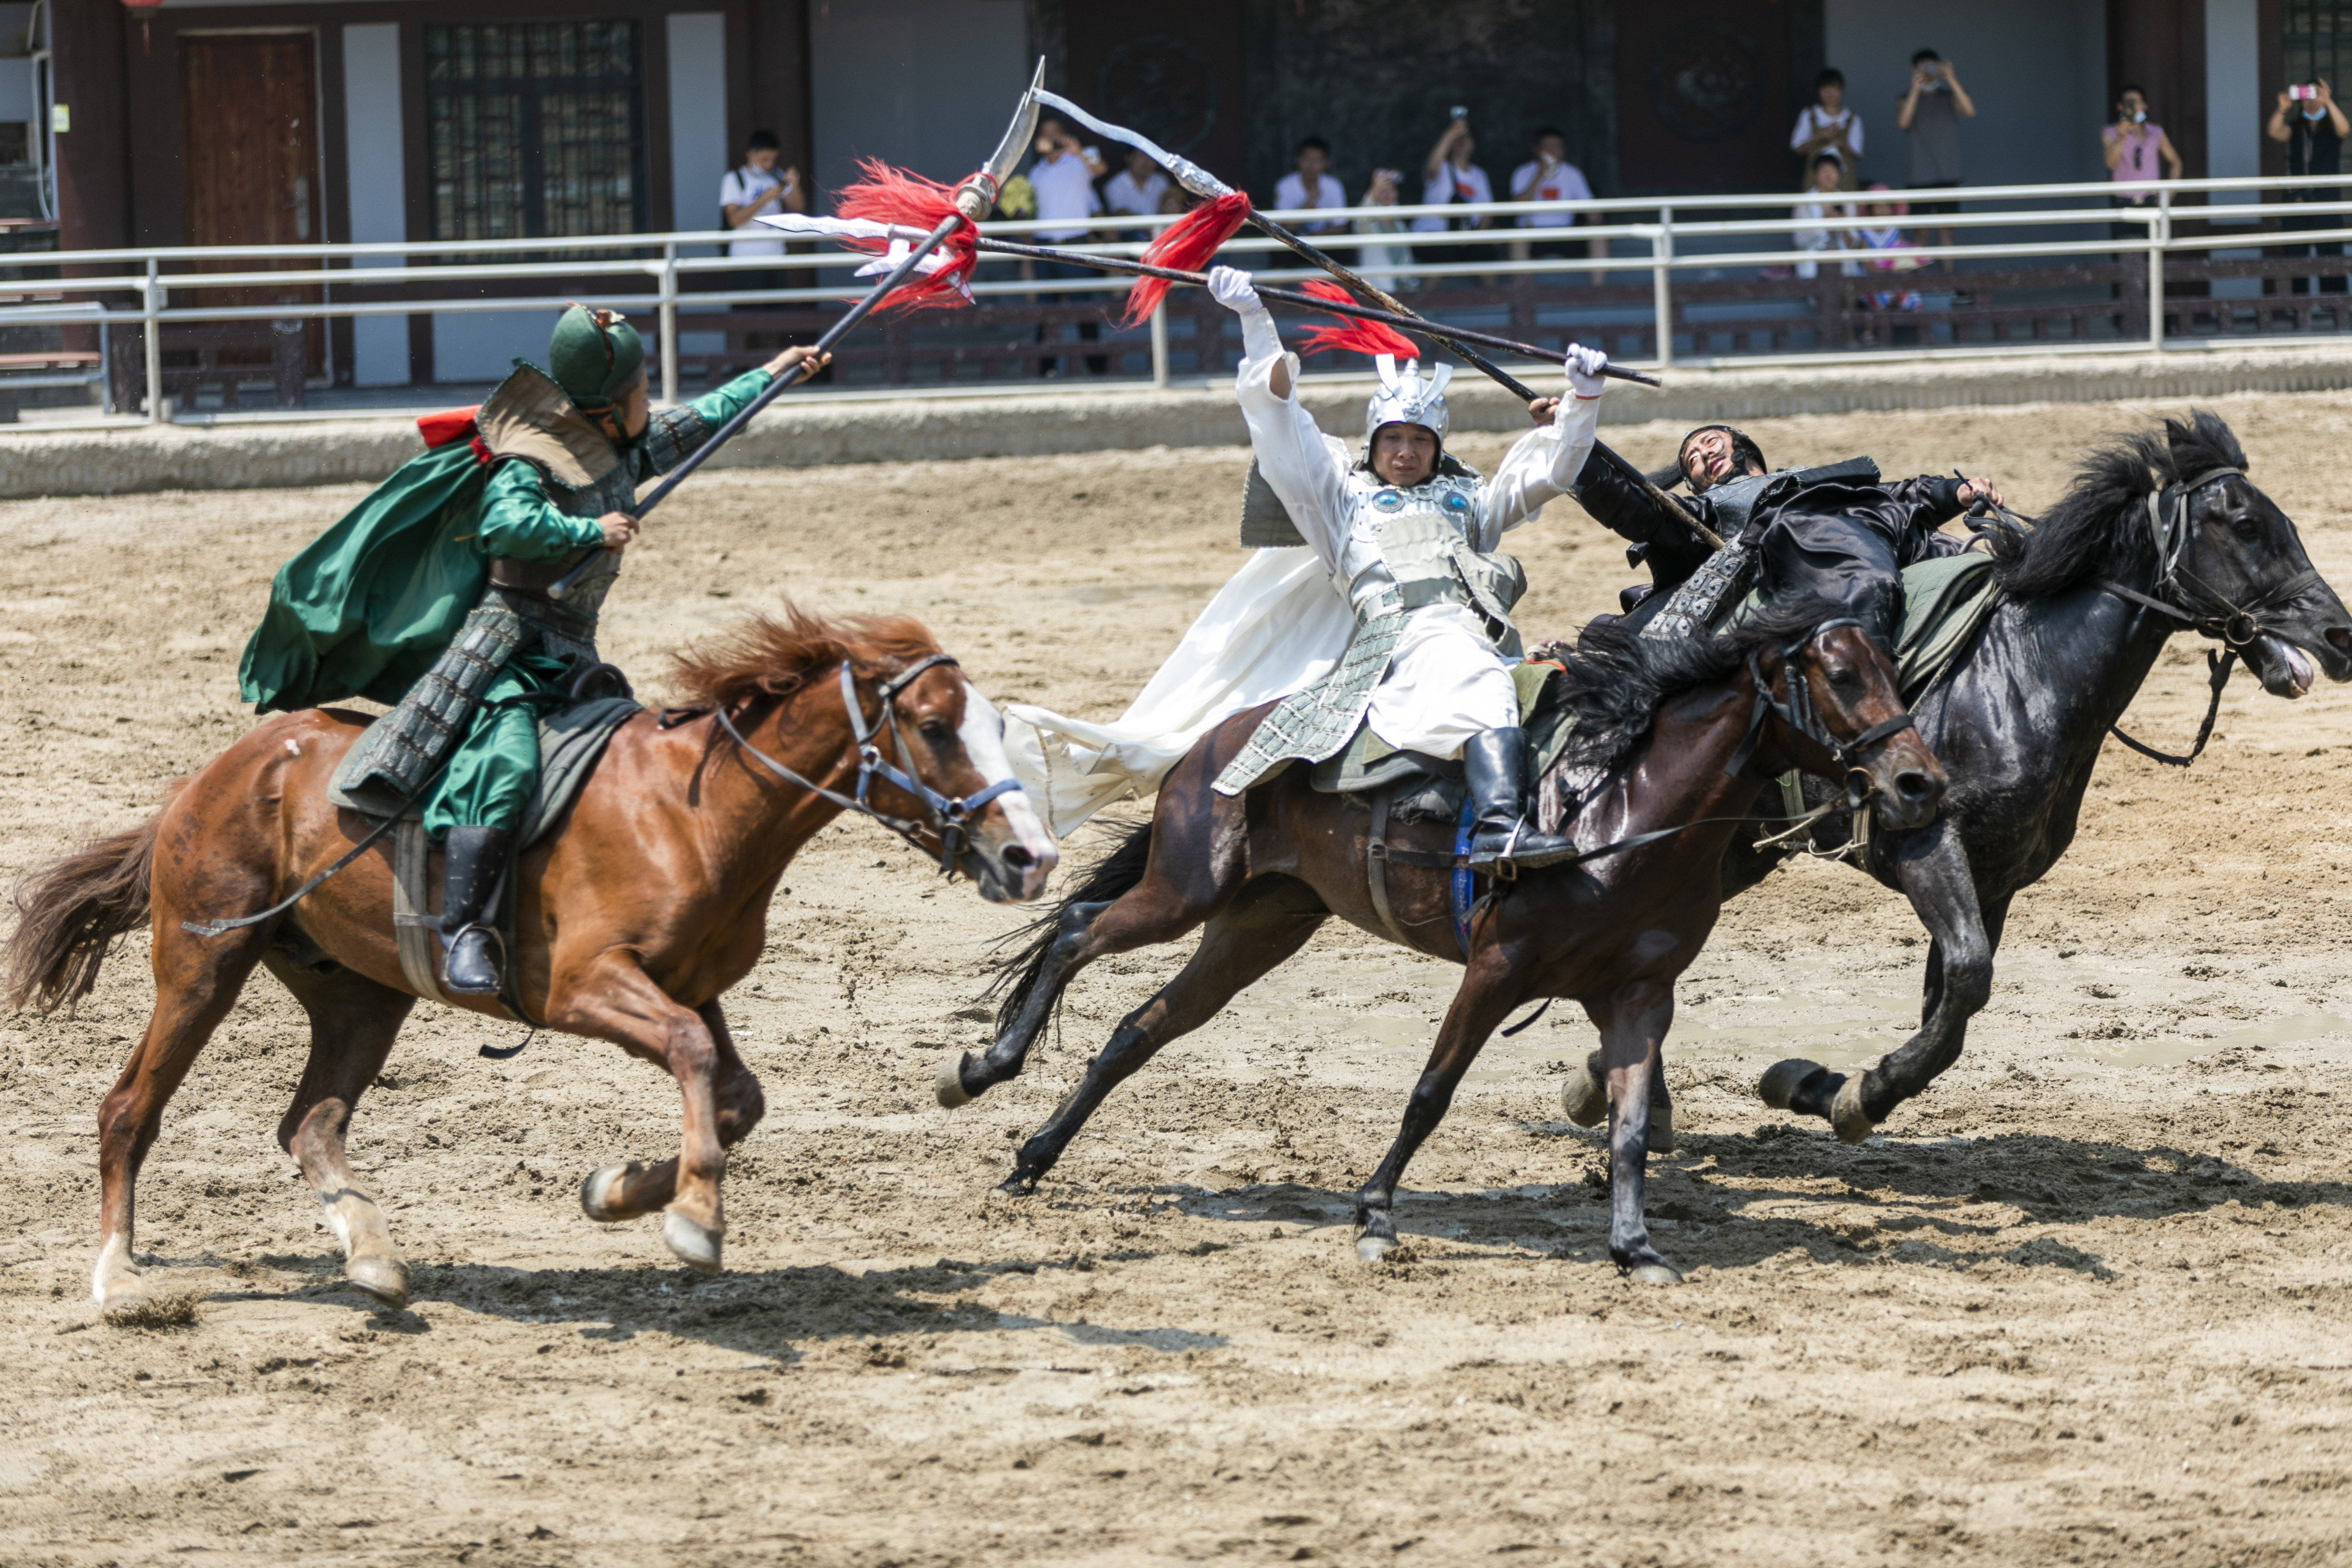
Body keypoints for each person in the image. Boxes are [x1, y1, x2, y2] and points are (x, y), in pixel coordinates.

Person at [237, 308, 828, 995]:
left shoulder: (616, 443)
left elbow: (699, 422)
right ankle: (464, 929)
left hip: (574, 655)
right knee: (507, 764)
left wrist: (774, 373)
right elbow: (505, 524)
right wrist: (583, 529)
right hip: (505, 652)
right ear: (610, 407)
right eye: (642, 391)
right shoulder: (532, 457)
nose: (651, 401)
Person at [1000, 266, 1611, 869]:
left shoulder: (1472, 502)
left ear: (1437, 447)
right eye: (1393, 440)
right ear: (1373, 443)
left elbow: (1549, 472)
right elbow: (1283, 426)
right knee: (1470, 672)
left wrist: (1583, 399)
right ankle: (1500, 831)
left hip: (1477, 631)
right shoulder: (1342, 501)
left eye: (1419, 441)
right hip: (1403, 636)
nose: (1405, 452)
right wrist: (1255, 321)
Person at [1567, 421, 2003, 650]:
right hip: (1806, 550)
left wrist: (1958, 491)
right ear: (1696, 484)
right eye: (1692, 461)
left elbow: (1897, 494)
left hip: (1890, 531)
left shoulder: (1817, 477)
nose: (1703, 456)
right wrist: (1577, 452)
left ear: (1742, 444)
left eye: (1710, 443)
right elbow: (1644, 509)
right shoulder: (1707, 508)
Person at [1027, 114, 1109, 376]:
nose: (1050, 140)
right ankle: (1046, 368)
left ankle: (1096, 367)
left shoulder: (1080, 161)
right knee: (1047, 308)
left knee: (1083, 304)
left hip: (1076, 242)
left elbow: (1101, 170)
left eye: (1055, 134)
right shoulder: (1035, 172)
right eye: (1045, 135)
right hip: (1045, 244)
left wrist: (1077, 152)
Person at [2268, 79, 2348, 294]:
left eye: (2316, 96)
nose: (2312, 102)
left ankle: (2335, 305)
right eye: (2307, 97)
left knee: (2330, 252)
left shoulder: (2332, 127)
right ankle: (2297, 305)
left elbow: (2345, 130)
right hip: (2297, 197)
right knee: (2295, 252)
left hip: (2327, 197)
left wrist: (2328, 102)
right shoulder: (2296, 127)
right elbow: (2275, 132)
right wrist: (2282, 110)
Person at [1897, 49, 1974, 270]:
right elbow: (1903, 122)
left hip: (1948, 174)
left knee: (1947, 232)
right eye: (1923, 68)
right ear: (1913, 71)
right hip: (1918, 175)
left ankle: (1947, 284)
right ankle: (1918, 288)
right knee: (1920, 233)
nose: (1928, 73)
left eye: (1932, 67)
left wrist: (1950, 78)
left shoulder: (1949, 96)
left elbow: (1970, 111)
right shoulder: (1904, 98)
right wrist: (1915, 88)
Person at [718, 130, 807, 303]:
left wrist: (794, 185)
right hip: (746, 259)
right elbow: (734, 219)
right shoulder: (734, 179)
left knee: (777, 318)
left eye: (773, 160)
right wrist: (764, 199)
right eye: (764, 160)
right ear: (750, 155)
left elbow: (798, 206)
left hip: (776, 256)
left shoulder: (776, 175)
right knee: (748, 318)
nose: (769, 165)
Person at [1508, 126, 1604, 266]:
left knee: (1599, 235)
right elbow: (1516, 210)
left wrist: (1595, 219)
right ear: (1536, 150)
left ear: (1564, 151)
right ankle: (1524, 288)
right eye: (1546, 147)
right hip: (1531, 233)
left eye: (1556, 147)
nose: (1551, 152)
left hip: (1565, 233)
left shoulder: (1573, 174)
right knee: (1516, 240)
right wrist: (1539, 176)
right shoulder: (1522, 173)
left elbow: (1594, 214)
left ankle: (1597, 288)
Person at [1416, 113, 1496, 280]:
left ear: (1474, 144)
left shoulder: (1480, 175)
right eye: (1457, 138)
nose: (1461, 140)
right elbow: (1432, 165)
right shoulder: (1442, 168)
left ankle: (1494, 303)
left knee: (1487, 253)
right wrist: (1450, 133)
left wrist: (1476, 240)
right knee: (1441, 255)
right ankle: (1427, 304)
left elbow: (1487, 215)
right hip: (1434, 235)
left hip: (1467, 238)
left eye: (1466, 137)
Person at [2103, 84, 2182, 244]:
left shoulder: (2156, 132)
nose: (2133, 107)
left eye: (2137, 102)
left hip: (2150, 202)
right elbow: (2110, 164)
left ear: (2145, 106)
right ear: (2120, 107)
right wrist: (2122, 138)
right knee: (2124, 254)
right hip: (2122, 202)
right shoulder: (2110, 132)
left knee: (2154, 251)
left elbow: (2176, 162)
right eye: (2129, 103)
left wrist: (2169, 195)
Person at [1790, 68, 1863, 184]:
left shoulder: (1853, 118)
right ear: (1818, 91)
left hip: (1843, 177)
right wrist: (1817, 138)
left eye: (1834, 88)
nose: (1830, 94)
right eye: (1825, 89)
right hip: (1815, 177)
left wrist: (1841, 145)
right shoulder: (1809, 114)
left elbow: (1857, 153)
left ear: (1842, 90)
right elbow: (1797, 147)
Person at [1792, 151, 1856, 280]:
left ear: (1839, 175)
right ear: (1815, 174)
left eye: (1833, 171)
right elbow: (1799, 241)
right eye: (1824, 171)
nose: (1829, 176)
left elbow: (1854, 244)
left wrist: (1843, 226)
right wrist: (1824, 223)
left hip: (1842, 260)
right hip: (1814, 259)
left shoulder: (1847, 202)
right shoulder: (1804, 202)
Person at [1354, 167, 1419, 293]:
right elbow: (1361, 218)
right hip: (1372, 293)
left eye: (1392, 189)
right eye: (1382, 191)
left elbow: (1406, 263)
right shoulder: (1369, 225)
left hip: (1398, 294)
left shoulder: (1401, 226)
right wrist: (1375, 187)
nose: (1388, 195)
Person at [1273, 136, 1349, 235]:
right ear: (1298, 160)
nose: (1311, 165)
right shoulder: (1284, 186)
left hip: (1323, 243)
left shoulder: (1334, 186)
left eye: (1317, 160)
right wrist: (1310, 201)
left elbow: (1341, 227)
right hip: (1289, 243)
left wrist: (1315, 237)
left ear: (1326, 164)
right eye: (1307, 159)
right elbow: (1286, 228)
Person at [1103, 147, 1171, 231]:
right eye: (1142, 156)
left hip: (1158, 231)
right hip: (1130, 234)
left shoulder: (1161, 180)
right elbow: (1121, 213)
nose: (1147, 162)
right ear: (1128, 158)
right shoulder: (1114, 185)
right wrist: (1150, 227)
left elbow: (1171, 207)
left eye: (1151, 157)